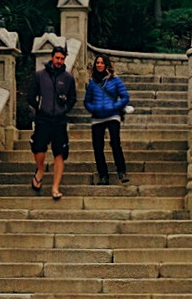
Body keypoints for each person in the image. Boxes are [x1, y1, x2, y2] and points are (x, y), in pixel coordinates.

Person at [29, 45, 77, 201]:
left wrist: (65, 109)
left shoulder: (68, 78)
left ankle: (55, 187)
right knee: (39, 149)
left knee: (60, 153)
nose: (59, 61)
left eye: (62, 59)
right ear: (52, 57)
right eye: (57, 58)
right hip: (43, 118)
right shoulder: (39, 75)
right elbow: (30, 96)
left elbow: (72, 99)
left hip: (60, 120)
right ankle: (41, 170)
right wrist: (40, 107)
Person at [83, 53, 131, 185]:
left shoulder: (115, 81)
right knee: (98, 147)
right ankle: (103, 175)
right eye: (97, 63)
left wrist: (115, 106)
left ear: (106, 65)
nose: (99, 65)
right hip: (97, 117)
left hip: (112, 115)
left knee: (115, 143)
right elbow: (87, 101)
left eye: (101, 63)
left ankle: (122, 171)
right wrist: (93, 109)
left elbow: (125, 97)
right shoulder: (92, 83)